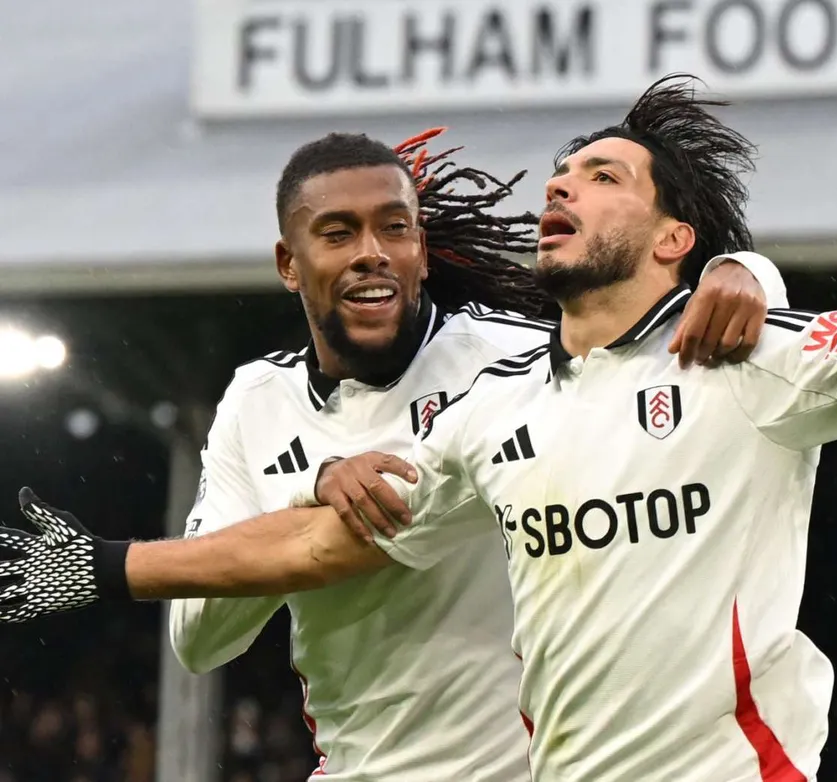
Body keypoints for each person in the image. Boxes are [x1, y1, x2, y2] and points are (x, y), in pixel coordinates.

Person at [2, 74, 837, 781]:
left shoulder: (745, 360)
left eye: (604, 174)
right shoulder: (489, 409)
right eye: (562, 173)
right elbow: (322, 550)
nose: (562, 184)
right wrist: (107, 565)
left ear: (677, 238)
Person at [5, 125, 783, 782]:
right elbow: (201, 642)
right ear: (289, 264)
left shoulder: (513, 360)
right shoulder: (256, 404)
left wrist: (745, 269)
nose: (371, 252)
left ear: (420, 249)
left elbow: (659, 336)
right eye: (338, 233)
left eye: (394, 228)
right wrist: (306, 490)